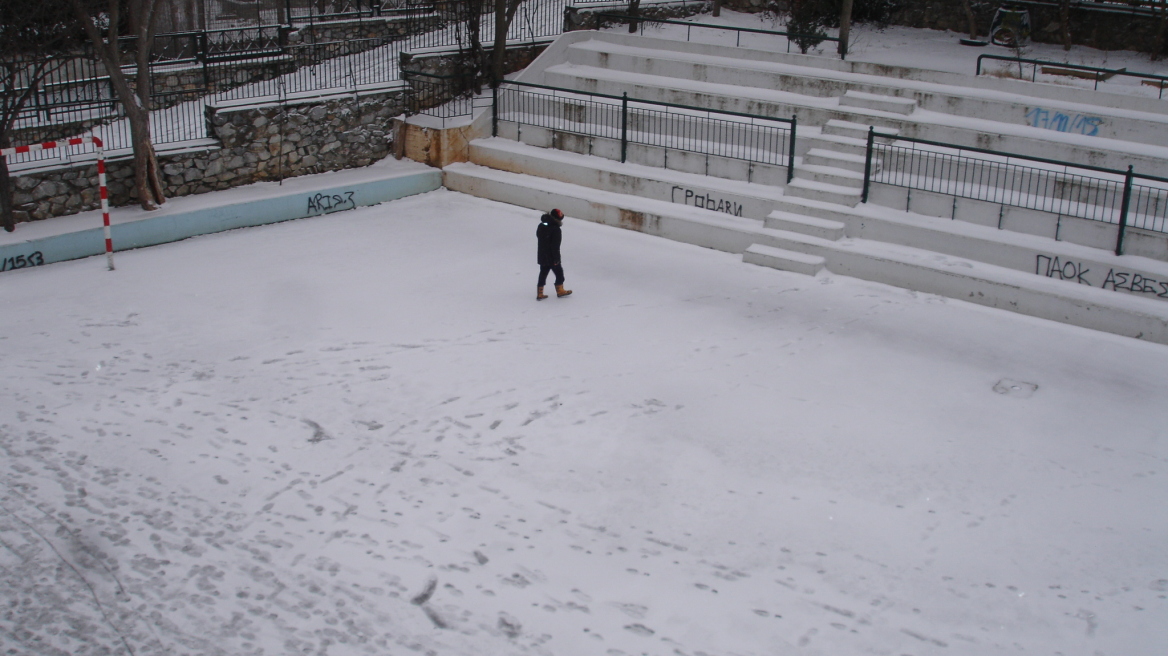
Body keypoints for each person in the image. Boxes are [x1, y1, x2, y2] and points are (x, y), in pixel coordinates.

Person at [536, 208, 572, 300]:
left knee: (543, 273)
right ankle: (560, 290)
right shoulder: (556, 229)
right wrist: (556, 258)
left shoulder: (541, 225)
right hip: (551, 256)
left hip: (542, 254)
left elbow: (539, 236)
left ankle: (540, 293)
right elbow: (555, 246)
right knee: (559, 273)